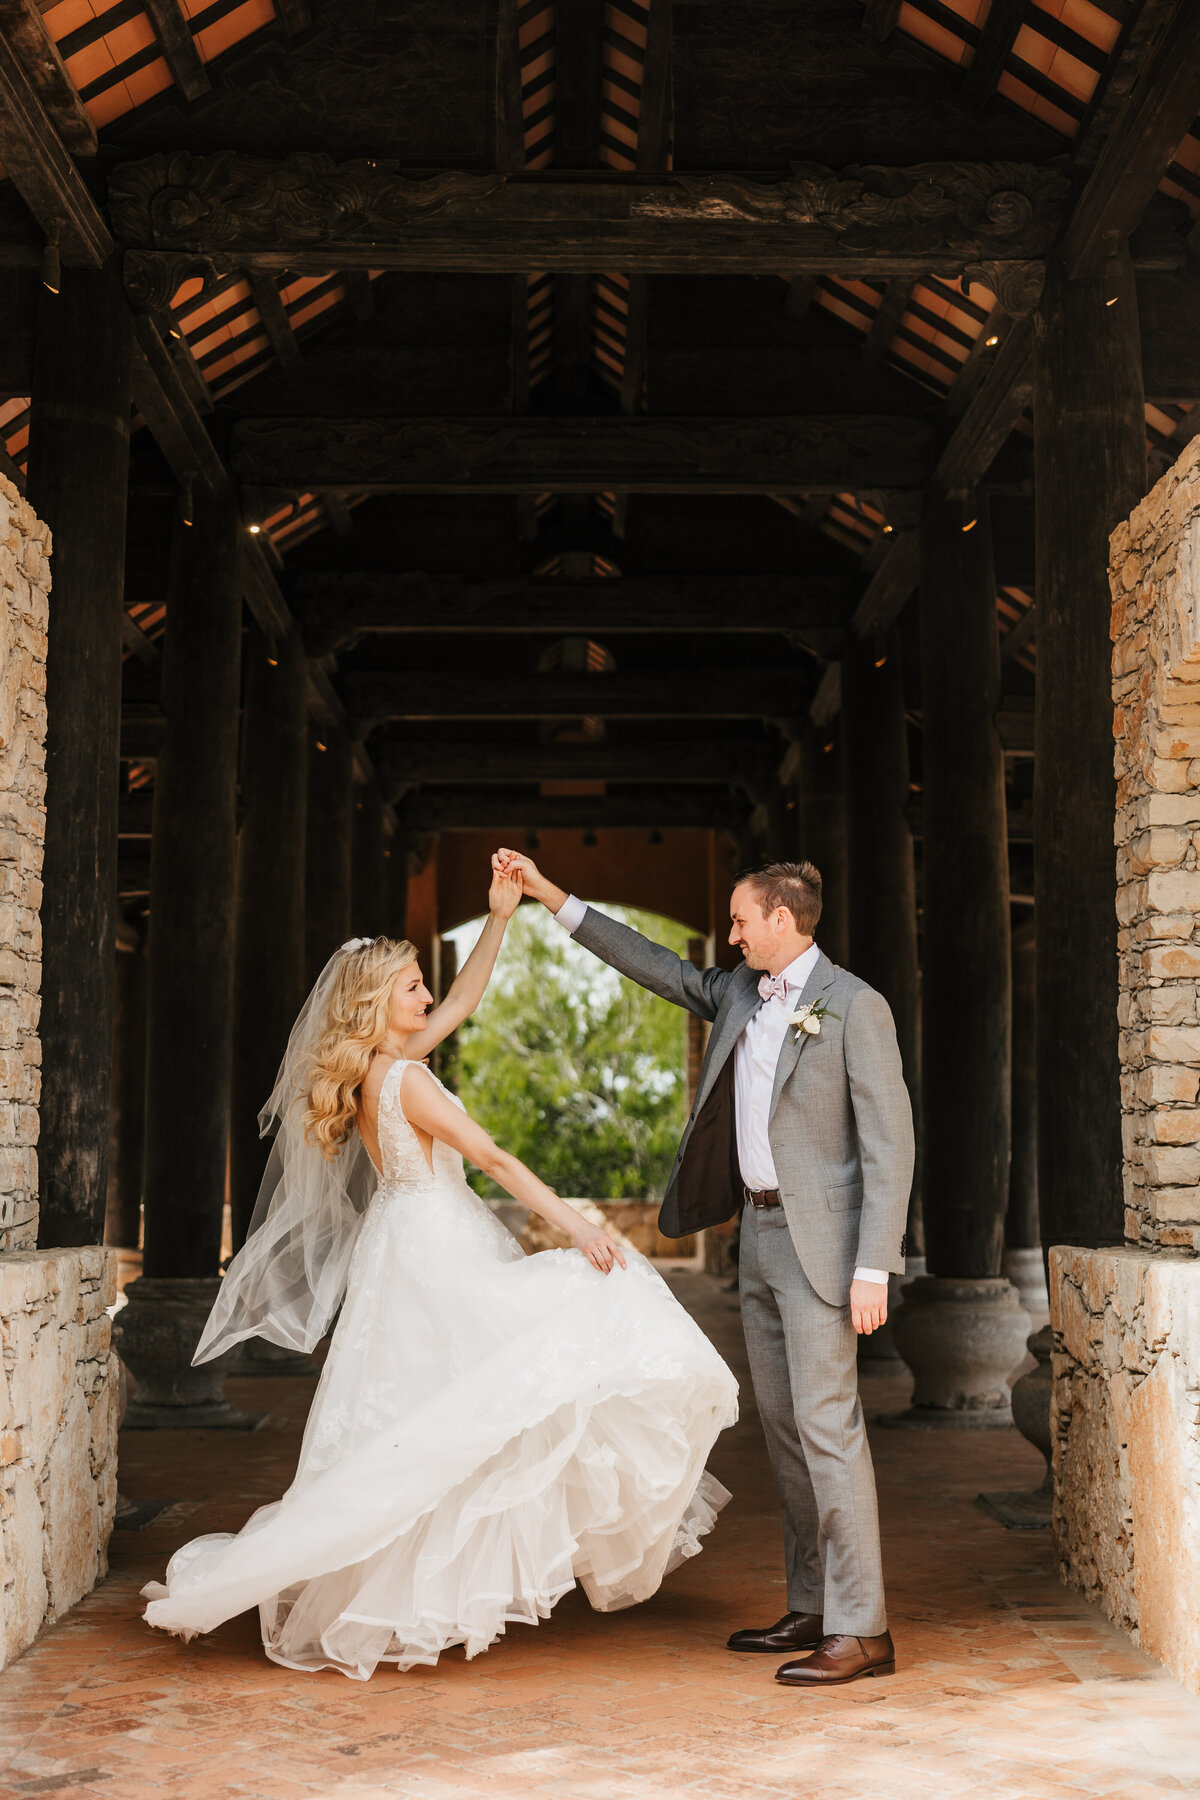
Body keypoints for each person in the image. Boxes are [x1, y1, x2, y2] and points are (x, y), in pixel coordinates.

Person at [142, 863, 738, 1679]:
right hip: (436, 1249)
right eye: (412, 987)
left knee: (426, 1415)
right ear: (374, 1004)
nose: (428, 997)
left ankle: (421, 1592)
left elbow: (464, 1003)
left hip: (403, 1245)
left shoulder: (370, 1075)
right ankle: (423, 1591)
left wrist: (500, 916)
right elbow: (491, 1156)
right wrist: (579, 1228)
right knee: (548, 1347)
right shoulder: (409, 1080)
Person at [495, 850, 913, 1688]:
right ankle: (813, 1604)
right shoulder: (737, 996)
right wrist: (549, 897)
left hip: (826, 1249)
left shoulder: (855, 1007)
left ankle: (863, 1629)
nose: (730, 934)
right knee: (788, 1434)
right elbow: (651, 964)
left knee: (831, 1431)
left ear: (783, 921)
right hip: (757, 1239)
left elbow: (890, 1144)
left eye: (740, 920)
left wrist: (876, 1266)